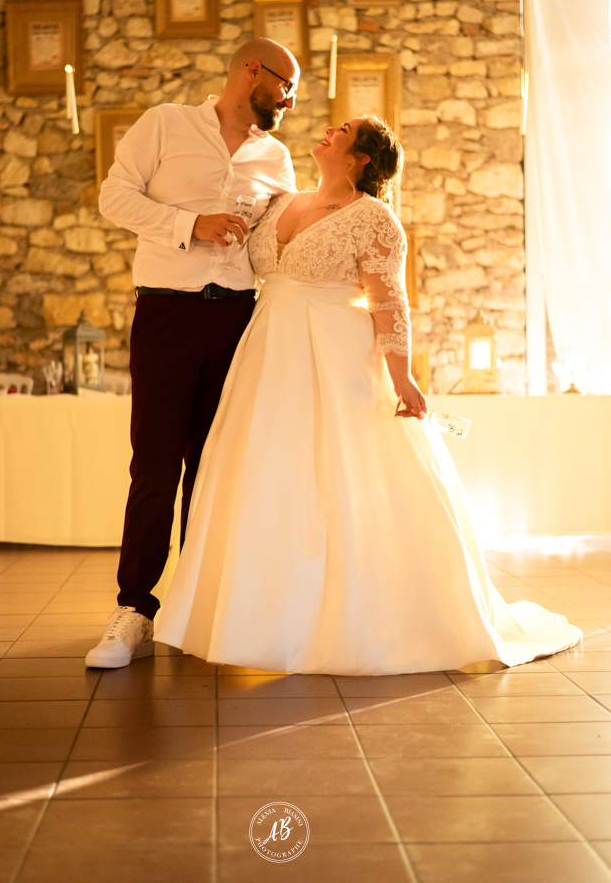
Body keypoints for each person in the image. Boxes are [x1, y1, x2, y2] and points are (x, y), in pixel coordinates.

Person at [152, 115, 582, 675]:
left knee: (338, 477)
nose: (330, 131)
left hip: (333, 354)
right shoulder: (282, 201)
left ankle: (351, 616)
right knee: (263, 472)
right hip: (265, 350)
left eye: (344, 131)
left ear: (361, 159)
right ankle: (256, 614)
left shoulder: (376, 219)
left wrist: (402, 377)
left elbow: (389, 302)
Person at [85, 39, 299, 668]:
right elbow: (114, 197)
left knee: (214, 471)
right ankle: (134, 611)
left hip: (239, 319)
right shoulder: (165, 123)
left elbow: (277, 242)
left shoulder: (277, 157)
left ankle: (198, 609)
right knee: (154, 467)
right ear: (250, 71)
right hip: (166, 311)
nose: (289, 99)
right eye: (284, 84)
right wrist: (190, 226)